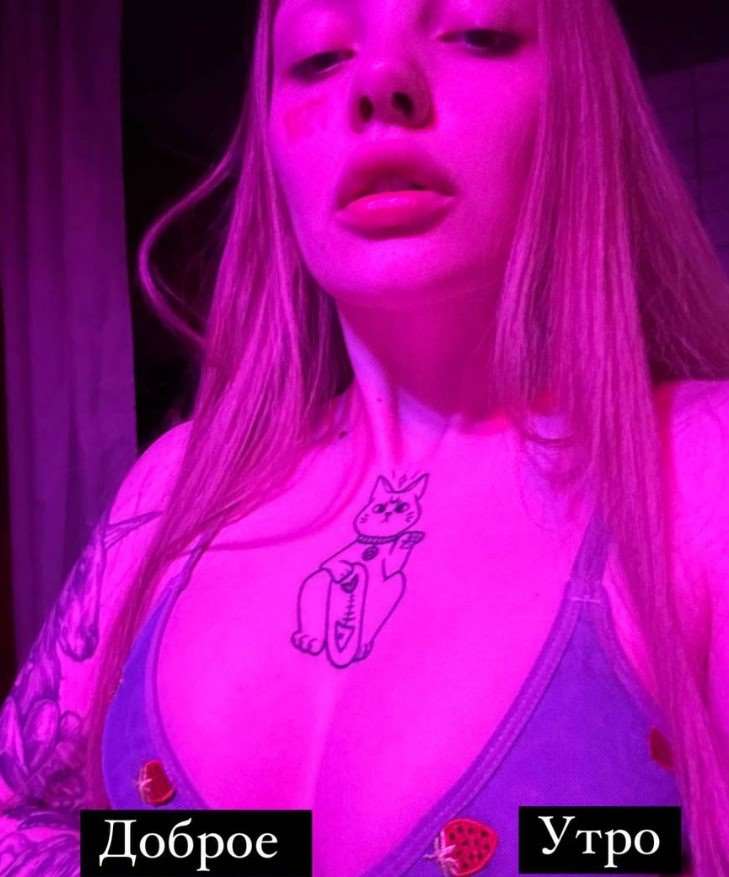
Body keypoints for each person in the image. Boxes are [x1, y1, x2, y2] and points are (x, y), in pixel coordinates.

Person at [1, 0, 729, 874]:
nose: (381, 81)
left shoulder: (700, 470)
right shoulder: (172, 489)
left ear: (579, 100)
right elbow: (20, 811)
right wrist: (233, 856)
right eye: (318, 58)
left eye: (476, 33)